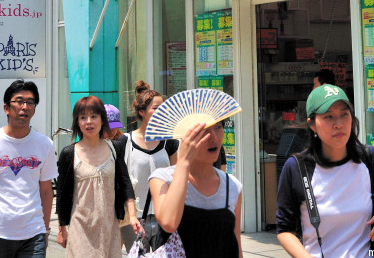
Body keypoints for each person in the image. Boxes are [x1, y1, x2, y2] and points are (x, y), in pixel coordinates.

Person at [277, 84, 374, 258]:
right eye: (328, 116)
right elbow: (284, 230)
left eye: (344, 114)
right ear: (312, 125)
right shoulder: (296, 168)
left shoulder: (370, 158)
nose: (338, 124)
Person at [56, 95, 142, 257]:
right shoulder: (69, 153)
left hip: (110, 226)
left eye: (94, 116)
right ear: (77, 122)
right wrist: (62, 229)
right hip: (80, 227)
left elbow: (125, 183)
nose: (89, 121)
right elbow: (62, 194)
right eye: (83, 117)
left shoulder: (114, 149)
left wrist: (132, 215)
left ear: (102, 120)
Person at [149, 120, 243, 258]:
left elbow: (236, 246)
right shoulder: (163, 178)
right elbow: (169, 222)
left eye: (218, 127)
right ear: (186, 136)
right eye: (203, 131)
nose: (214, 137)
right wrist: (184, 162)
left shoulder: (233, 186)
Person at [0, 79, 58, 257]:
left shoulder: (45, 144)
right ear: (6, 108)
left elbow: (45, 191)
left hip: (33, 233)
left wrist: (45, 230)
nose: (25, 107)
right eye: (19, 101)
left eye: (30, 102)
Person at [116, 81, 179, 252]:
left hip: (163, 217)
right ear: (142, 112)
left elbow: (176, 180)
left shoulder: (170, 142)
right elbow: (121, 181)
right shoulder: (125, 142)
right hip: (134, 218)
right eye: (156, 108)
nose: (162, 112)